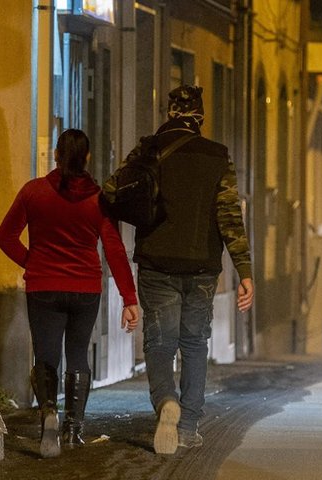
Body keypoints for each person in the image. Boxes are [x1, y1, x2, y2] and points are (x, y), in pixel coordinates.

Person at [109, 85, 253, 454]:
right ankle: (188, 425)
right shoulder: (218, 157)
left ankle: (166, 402)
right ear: (200, 118)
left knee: (159, 342)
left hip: (157, 262)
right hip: (203, 266)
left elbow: (111, 191)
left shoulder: (148, 150)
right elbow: (229, 217)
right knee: (193, 343)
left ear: (170, 113)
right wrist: (244, 270)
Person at [0, 129, 139, 459]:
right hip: (85, 289)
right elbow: (115, 250)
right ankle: (73, 430)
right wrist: (129, 299)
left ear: (57, 156)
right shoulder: (99, 199)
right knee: (77, 355)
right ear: (86, 157)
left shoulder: (33, 192)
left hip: (43, 286)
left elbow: (5, 236)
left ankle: (48, 410)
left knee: (46, 356)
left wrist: (32, 262)